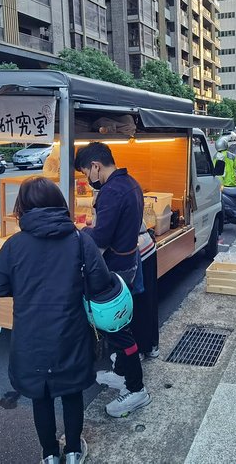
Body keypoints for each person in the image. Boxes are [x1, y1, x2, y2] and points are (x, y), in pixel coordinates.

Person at [0, 177, 113, 464]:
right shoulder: (81, 240)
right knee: (71, 392)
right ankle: (72, 451)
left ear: (22, 207)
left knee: (40, 396)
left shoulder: (14, 246)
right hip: (71, 332)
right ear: (59, 203)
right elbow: (101, 282)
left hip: (30, 336)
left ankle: (49, 455)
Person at [74, 142, 152, 417]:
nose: (87, 179)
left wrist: (82, 234)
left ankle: (136, 389)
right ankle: (121, 374)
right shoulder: (130, 183)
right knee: (118, 326)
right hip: (129, 262)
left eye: (86, 173)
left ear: (96, 166)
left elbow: (102, 238)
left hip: (115, 268)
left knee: (117, 329)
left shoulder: (111, 192)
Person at [131, 222, 160, 359]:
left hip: (136, 250)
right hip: (145, 245)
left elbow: (104, 234)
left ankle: (140, 348)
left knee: (138, 299)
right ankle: (151, 345)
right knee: (148, 298)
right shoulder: (131, 199)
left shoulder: (112, 199)